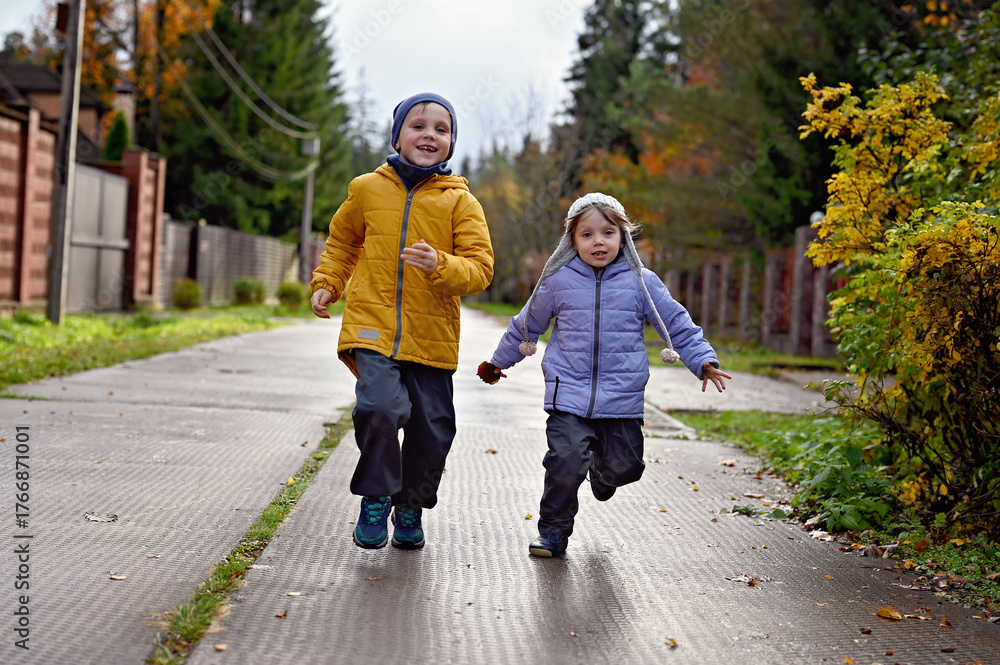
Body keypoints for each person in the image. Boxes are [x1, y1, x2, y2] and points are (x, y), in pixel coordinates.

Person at [478, 192, 730, 558]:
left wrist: (703, 360)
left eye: (608, 232)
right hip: (567, 392)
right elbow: (526, 325)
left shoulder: (642, 282)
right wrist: (498, 362)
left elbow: (676, 324)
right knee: (565, 463)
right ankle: (552, 533)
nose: (599, 241)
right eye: (588, 234)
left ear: (623, 236)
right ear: (572, 240)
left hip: (621, 397)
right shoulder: (557, 280)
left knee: (626, 468)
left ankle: (601, 471)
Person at [311, 92, 494, 550]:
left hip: (432, 336)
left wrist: (440, 264)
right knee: (379, 409)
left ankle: (410, 505)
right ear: (397, 137)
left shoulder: (461, 202)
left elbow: (480, 269)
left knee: (432, 431)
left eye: (441, 129)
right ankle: (376, 495)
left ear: (451, 143)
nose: (429, 135)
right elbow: (343, 242)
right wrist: (328, 282)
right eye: (418, 125)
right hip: (371, 327)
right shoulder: (366, 189)